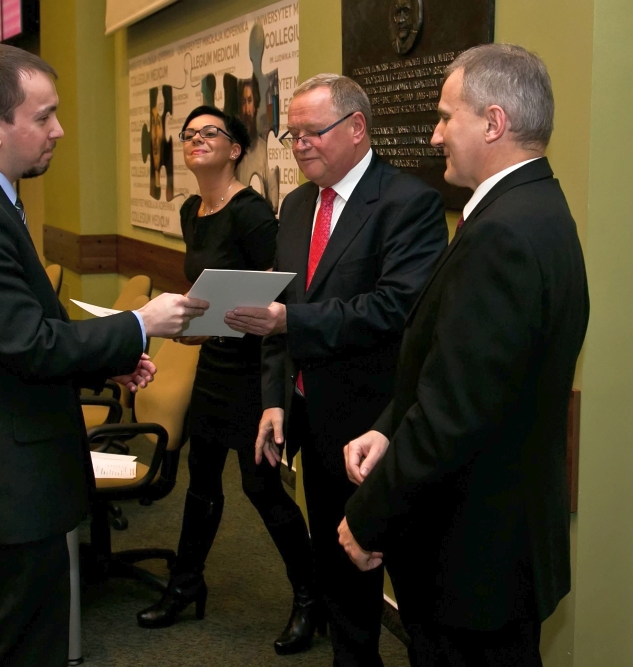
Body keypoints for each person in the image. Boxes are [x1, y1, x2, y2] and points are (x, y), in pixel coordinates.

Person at [0, 43, 208, 667]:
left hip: (10, 470)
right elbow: (27, 343)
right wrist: (140, 323)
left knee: (1, 640)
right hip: (6, 480)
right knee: (19, 648)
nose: (59, 130)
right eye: (43, 116)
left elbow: (17, 333)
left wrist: (105, 362)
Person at [341, 44, 589, 667]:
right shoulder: (538, 207)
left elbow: (453, 415)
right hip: (499, 547)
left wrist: (367, 517)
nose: (435, 135)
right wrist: (388, 428)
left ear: (493, 122)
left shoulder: (503, 233)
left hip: (475, 556)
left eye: (447, 117)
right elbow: (463, 367)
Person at [225, 74, 447, 666]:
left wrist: (288, 322)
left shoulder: (409, 203)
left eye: (312, 132)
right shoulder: (298, 205)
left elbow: (395, 308)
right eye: (292, 134)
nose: (299, 145)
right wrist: (275, 399)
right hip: (313, 418)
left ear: (356, 128)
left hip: (379, 424)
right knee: (339, 575)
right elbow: (280, 304)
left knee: (413, 584)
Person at [136, 105, 318, 655]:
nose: (195, 139)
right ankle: (186, 584)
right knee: (202, 479)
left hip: (255, 367)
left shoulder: (251, 212)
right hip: (215, 361)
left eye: (209, 132)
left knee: (261, 487)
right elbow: (209, 289)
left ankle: (311, 597)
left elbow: (279, 290)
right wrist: (194, 327)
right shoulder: (192, 209)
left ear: (235, 149)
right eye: (188, 133)